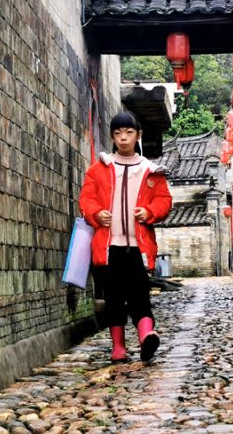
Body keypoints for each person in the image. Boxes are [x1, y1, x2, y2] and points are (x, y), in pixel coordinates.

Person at [78, 111, 173, 362]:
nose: (123, 138)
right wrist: (97, 214)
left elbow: (164, 201)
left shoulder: (151, 171)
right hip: (108, 247)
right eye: (118, 133)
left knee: (140, 293)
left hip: (139, 247)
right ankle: (118, 347)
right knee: (113, 298)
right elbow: (86, 199)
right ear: (112, 136)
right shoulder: (98, 169)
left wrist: (149, 212)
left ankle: (146, 336)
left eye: (129, 133)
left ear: (138, 135)